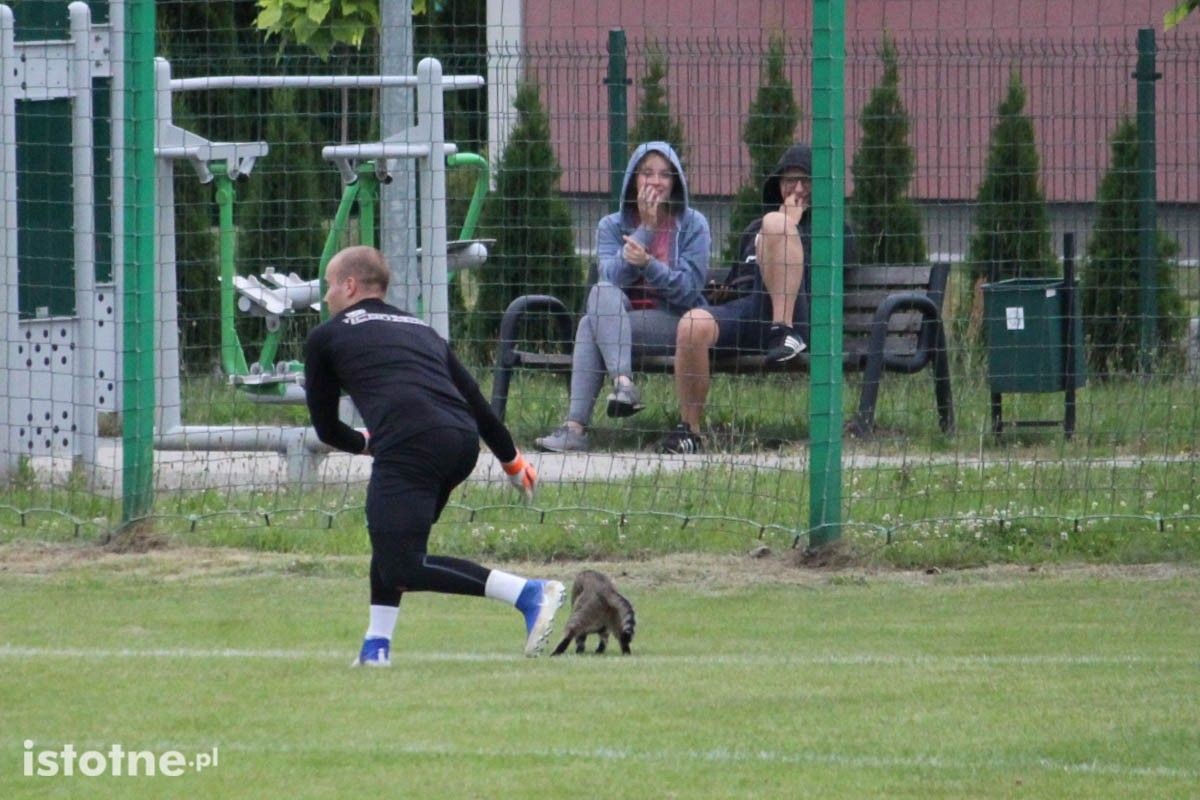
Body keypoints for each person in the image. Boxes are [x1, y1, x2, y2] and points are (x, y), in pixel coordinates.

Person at [304, 245, 565, 666]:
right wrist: (511, 460)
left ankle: (528, 593)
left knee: (402, 564)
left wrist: (364, 443)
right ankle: (376, 647)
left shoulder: (326, 336)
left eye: (330, 286)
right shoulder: (420, 329)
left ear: (350, 286)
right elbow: (476, 400)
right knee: (394, 544)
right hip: (460, 442)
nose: (328, 297)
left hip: (410, 443)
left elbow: (326, 429)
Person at [659, 143, 856, 454]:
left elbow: (834, 281)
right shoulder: (755, 228)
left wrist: (789, 227)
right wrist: (723, 291)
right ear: (778, 185)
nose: (799, 188)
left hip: (801, 318)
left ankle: (783, 329)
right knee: (691, 324)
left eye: (807, 181)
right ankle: (690, 432)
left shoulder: (833, 230)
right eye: (790, 180)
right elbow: (742, 281)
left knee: (775, 225)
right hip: (751, 312)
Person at [535, 141, 711, 453]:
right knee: (600, 299)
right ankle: (623, 386)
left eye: (664, 175)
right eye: (646, 174)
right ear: (633, 179)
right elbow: (609, 279)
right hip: (618, 324)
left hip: (675, 321)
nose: (655, 182)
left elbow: (688, 291)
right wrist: (645, 229)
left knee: (591, 324)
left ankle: (576, 427)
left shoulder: (694, 224)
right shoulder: (611, 225)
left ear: (676, 181)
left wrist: (648, 265)